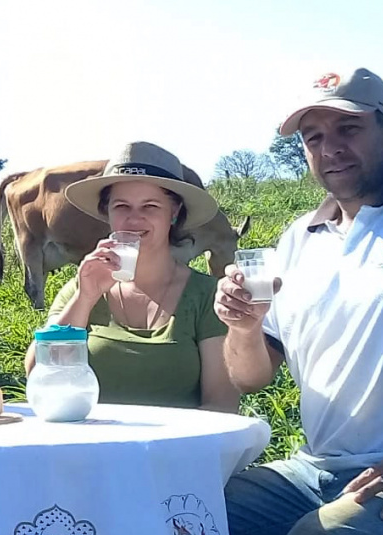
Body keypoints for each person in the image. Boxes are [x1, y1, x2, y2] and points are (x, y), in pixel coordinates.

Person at [216, 68, 383, 535]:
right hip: (313, 467)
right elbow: (251, 378)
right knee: (195, 511)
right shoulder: (299, 237)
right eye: (314, 137)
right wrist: (244, 326)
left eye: (349, 129)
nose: (331, 149)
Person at [25, 141, 240, 413]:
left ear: (173, 214)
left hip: (177, 452)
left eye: (150, 206)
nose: (134, 219)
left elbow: (222, 404)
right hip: (91, 449)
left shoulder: (207, 295)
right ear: (107, 213)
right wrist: (85, 298)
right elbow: (37, 374)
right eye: (121, 206)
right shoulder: (83, 286)